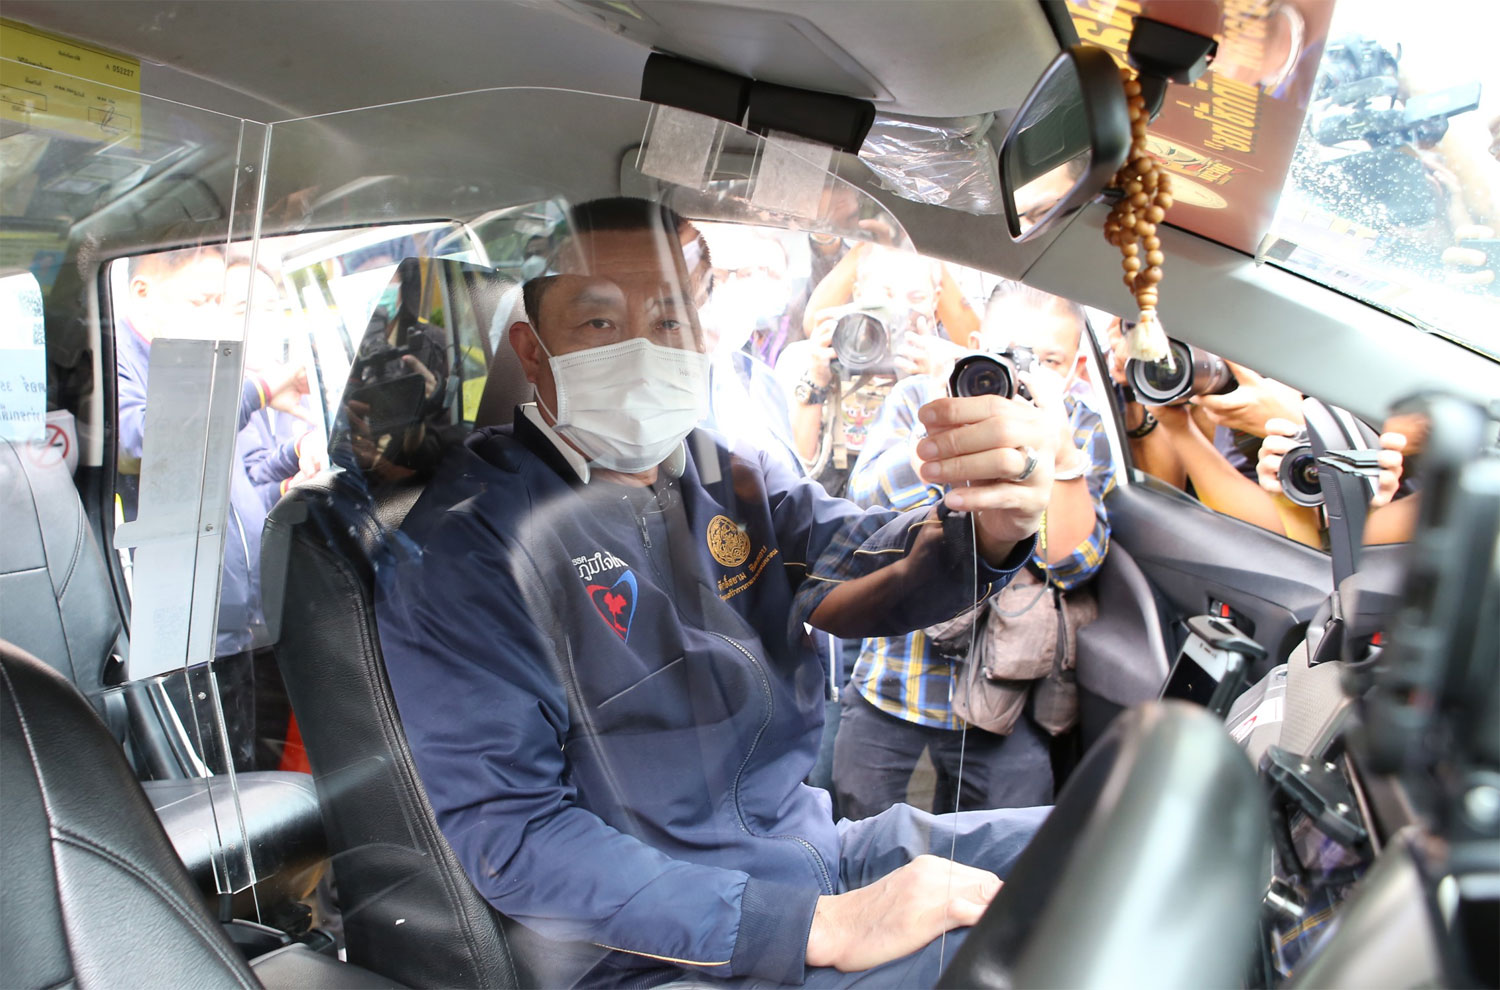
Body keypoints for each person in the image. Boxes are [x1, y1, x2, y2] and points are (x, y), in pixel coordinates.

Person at [375, 198, 1056, 990]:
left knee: (1102, 846)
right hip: (667, 949)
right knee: (1035, 959)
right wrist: (817, 926)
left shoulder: (710, 471)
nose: (640, 348)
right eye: (599, 324)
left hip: (808, 858)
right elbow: (517, 835)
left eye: (669, 320)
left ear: (700, 335)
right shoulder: (471, 547)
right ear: (532, 352)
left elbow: (852, 562)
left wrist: (990, 528)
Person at [833, 283, 1116, 820]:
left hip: (1000, 703)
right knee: (856, 832)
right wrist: (950, 436)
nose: (1027, 375)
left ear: (1075, 365)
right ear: (979, 348)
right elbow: (865, 509)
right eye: (1011, 357)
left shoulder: (1077, 425)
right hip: (896, 676)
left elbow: (1074, 565)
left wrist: (1059, 452)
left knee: (1008, 848)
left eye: (1049, 360)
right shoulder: (922, 399)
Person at [115, 243, 310, 769]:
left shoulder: (193, 367)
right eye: (202, 302)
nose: (217, 320)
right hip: (184, 639)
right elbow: (149, 438)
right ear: (142, 293)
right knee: (214, 792)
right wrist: (260, 389)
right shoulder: (122, 367)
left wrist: (291, 472)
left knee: (249, 778)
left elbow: (235, 495)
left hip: (233, 625)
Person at [776, 243, 978, 494]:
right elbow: (793, 472)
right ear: (858, 293)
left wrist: (932, 386)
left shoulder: (948, 369)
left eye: (916, 299)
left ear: (935, 300)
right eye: (885, 295)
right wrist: (816, 379)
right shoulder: (811, 355)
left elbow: (949, 478)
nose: (899, 311)